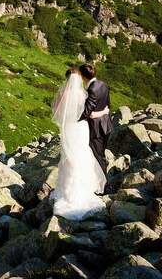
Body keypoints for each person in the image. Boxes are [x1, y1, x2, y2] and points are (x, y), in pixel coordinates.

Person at [49, 67, 108, 220]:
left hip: (68, 129)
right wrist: (104, 112)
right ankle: (82, 190)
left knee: (69, 158)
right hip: (81, 128)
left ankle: (66, 192)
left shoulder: (62, 93)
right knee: (82, 157)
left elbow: (56, 112)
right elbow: (88, 114)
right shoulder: (83, 95)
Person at [78, 64, 114, 174]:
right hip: (106, 125)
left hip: (96, 129)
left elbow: (87, 112)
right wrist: (102, 112)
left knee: (98, 156)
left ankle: (104, 185)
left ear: (83, 76)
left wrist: (73, 118)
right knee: (101, 154)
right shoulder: (103, 84)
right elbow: (108, 105)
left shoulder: (92, 89)